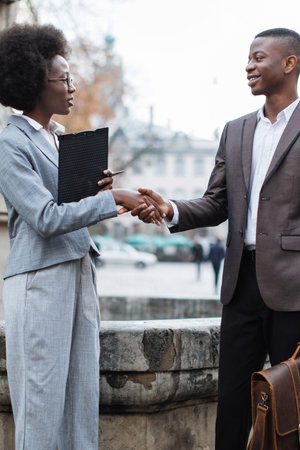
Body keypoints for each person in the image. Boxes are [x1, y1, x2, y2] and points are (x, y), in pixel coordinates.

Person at [132, 28, 300, 449]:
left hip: (295, 287)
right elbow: (216, 202)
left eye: (259, 57)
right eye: (248, 58)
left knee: (293, 403)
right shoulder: (236, 130)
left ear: (290, 64)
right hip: (240, 284)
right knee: (231, 403)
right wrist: (170, 209)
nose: (249, 66)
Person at [0, 23, 162, 450]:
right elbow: (46, 218)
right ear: (36, 82)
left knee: (80, 400)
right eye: (64, 78)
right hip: (39, 278)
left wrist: (98, 191)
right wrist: (115, 200)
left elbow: (69, 208)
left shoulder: (57, 141)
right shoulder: (10, 143)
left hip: (77, 269)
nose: (73, 87)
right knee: (41, 402)